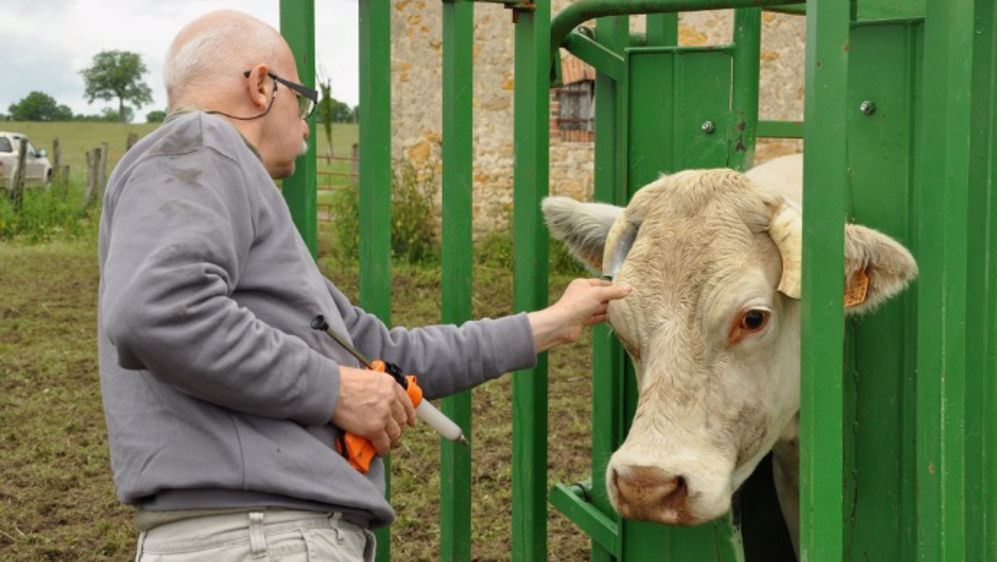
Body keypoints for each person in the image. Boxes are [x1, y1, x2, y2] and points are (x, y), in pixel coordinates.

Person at [97, 9, 630, 562]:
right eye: (301, 102)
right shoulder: (200, 145)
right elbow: (159, 311)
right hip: (257, 537)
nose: (305, 126)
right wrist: (334, 390)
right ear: (260, 86)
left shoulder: (233, 198)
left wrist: (550, 324)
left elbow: (385, 357)